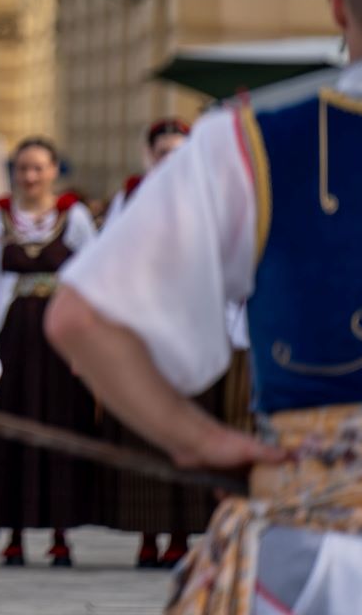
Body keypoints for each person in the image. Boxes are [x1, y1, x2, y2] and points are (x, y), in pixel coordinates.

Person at [47, 0, 362, 615]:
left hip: (323, 554)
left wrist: (196, 440)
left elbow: (78, 318)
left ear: (338, 7)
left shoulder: (249, 142)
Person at [0, 137, 100, 566]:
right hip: (13, 336)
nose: (30, 176)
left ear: (53, 170)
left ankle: (62, 533)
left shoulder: (73, 216)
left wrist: (87, 339)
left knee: (61, 424)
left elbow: (90, 277)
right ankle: (13, 533)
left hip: (59, 338)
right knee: (12, 427)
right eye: (23, 168)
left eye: (38, 168)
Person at [96, 119, 217, 570]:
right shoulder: (131, 199)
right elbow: (106, 259)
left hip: (194, 326)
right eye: (163, 151)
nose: (171, 160)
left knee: (191, 426)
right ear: (150, 155)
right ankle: (148, 533)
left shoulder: (210, 198)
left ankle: (184, 534)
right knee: (145, 428)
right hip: (144, 327)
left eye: (179, 151)